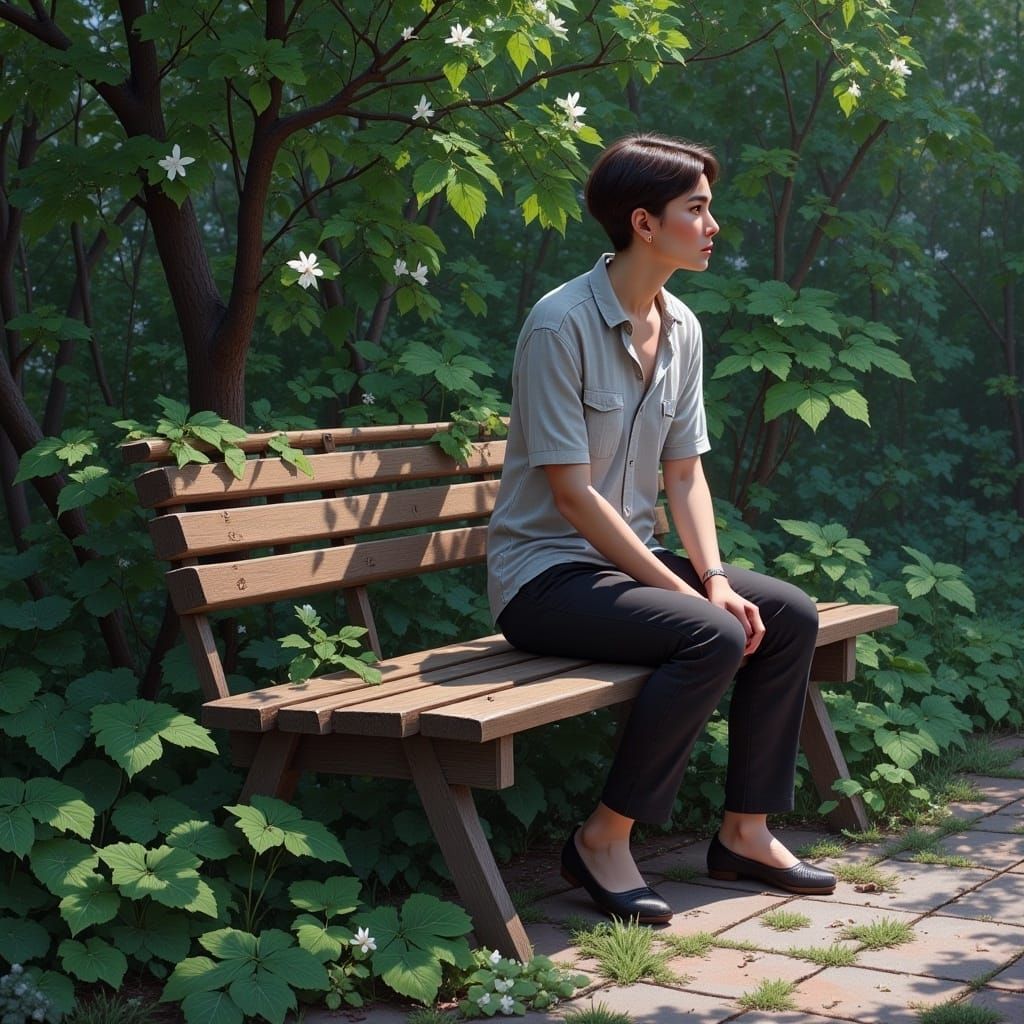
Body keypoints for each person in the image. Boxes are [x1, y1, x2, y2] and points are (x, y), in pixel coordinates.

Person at [485, 133, 836, 924]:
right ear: (645, 223)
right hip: (544, 580)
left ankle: (745, 831)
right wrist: (687, 593)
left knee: (788, 614)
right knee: (708, 636)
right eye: (698, 210)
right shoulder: (559, 326)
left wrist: (709, 577)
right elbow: (571, 497)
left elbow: (685, 473)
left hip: (623, 570)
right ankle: (603, 840)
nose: (713, 226)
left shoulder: (682, 328)